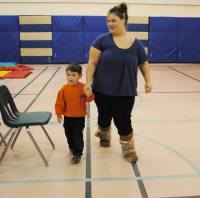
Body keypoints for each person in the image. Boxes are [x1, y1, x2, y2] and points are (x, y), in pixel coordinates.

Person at [84, 2, 152, 162]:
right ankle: (104, 134)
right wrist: (88, 82)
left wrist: (148, 80)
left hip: (126, 91)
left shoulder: (136, 44)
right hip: (102, 90)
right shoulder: (101, 41)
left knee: (123, 120)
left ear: (123, 20)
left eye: (113, 20)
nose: (109, 24)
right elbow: (92, 63)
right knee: (104, 116)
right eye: (108, 21)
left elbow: (144, 63)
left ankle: (128, 149)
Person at [55, 64, 94, 164]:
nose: (70, 77)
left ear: (80, 76)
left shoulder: (83, 87)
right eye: (68, 75)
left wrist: (88, 93)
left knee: (77, 135)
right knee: (69, 134)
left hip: (79, 117)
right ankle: (72, 147)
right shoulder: (63, 89)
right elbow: (59, 103)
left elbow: (90, 99)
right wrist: (59, 114)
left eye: (73, 75)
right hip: (67, 117)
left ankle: (77, 154)